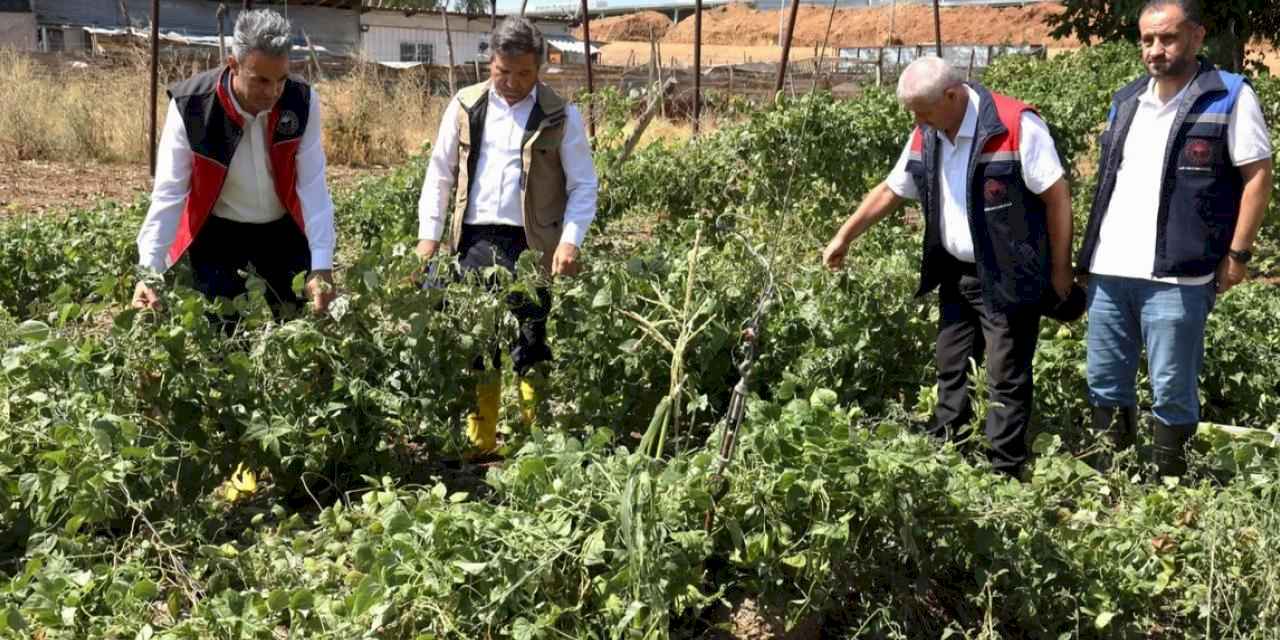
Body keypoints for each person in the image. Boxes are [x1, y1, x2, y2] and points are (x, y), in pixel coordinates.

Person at [822, 56, 1074, 478]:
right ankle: (946, 457)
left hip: (1009, 272)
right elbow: (892, 189)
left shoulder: (1016, 125)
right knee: (952, 364)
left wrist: (1060, 268)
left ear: (953, 96)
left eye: (922, 110)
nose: (917, 120)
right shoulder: (928, 132)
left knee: (1005, 374)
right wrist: (844, 236)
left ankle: (1003, 471)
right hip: (958, 272)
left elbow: (1057, 196)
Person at [1074, 0, 1272, 477]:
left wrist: (1238, 254)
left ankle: (1170, 483)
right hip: (1110, 268)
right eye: (1147, 40)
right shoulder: (1126, 100)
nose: (1156, 50)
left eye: (1168, 38)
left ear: (1197, 38)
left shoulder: (1228, 96)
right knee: (1104, 380)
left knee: (1171, 384)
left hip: (1178, 274)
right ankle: (1109, 480)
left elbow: (1258, 176)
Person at [416, 17, 598, 458]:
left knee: (531, 337)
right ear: (489, 63)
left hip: (531, 243)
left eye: (524, 74)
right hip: (475, 237)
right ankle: (482, 442)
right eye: (503, 72)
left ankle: (535, 442)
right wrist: (428, 237)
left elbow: (583, 186)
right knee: (480, 339)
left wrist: (571, 240)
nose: (513, 83)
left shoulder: (559, 115)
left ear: (539, 69)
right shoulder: (465, 105)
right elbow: (440, 175)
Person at [132, 9, 336, 317]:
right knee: (220, 338)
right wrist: (148, 272)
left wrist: (321, 264)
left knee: (298, 323)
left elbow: (312, 185)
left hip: (284, 230)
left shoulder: (302, 101)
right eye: (261, 81)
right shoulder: (191, 107)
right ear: (233, 65)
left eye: (281, 79)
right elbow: (170, 193)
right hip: (218, 234)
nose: (273, 92)